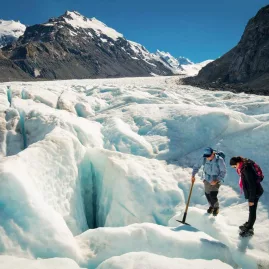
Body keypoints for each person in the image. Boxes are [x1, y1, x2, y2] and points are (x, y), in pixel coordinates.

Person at [230, 156, 264, 237]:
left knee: (252, 211)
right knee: (251, 210)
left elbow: (252, 185)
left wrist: (251, 199)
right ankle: (249, 224)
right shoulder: (244, 165)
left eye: (235, 166)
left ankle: (250, 229)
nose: (235, 168)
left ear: (238, 163)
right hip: (254, 191)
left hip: (255, 192)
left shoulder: (246, 169)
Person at [191, 147, 226, 216]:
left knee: (213, 194)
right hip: (207, 178)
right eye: (206, 156)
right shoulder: (204, 158)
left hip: (216, 179)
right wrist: (193, 175)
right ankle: (211, 206)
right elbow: (196, 166)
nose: (207, 158)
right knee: (207, 194)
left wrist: (216, 180)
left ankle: (216, 208)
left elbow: (223, 171)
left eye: (208, 156)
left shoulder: (219, 160)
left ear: (213, 154)